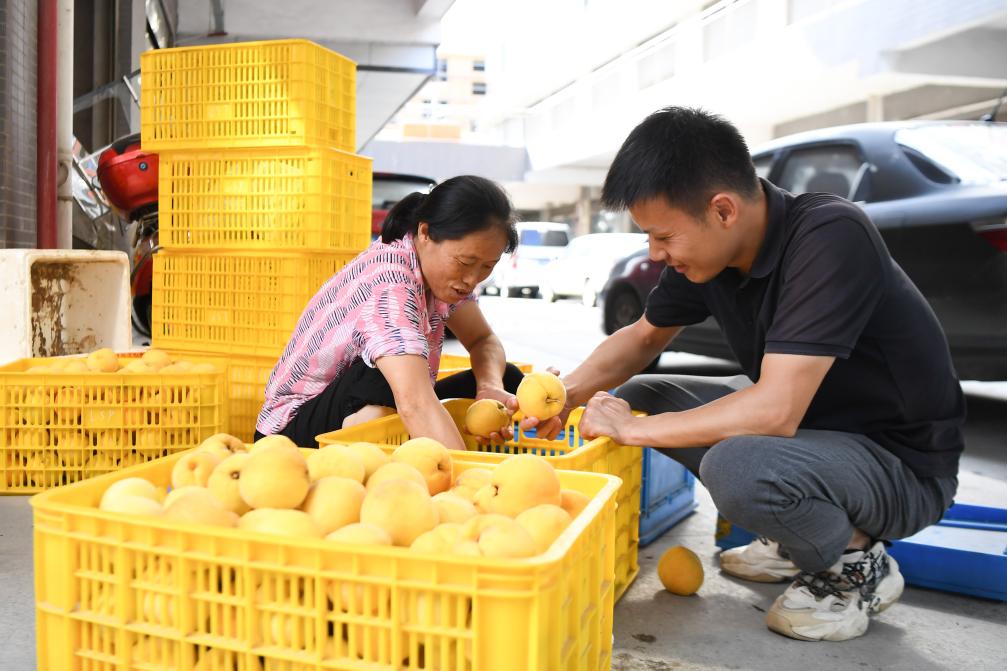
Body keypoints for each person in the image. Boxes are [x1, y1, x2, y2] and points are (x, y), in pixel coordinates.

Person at [531, 107, 964, 642]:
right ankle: (798, 537)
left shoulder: (830, 235)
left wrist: (630, 430)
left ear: (723, 210)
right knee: (644, 392)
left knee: (737, 466)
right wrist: (565, 397)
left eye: (662, 236)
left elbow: (776, 410)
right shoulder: (710, 252)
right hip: (818, 438)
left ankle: (856, 562)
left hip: (902, 466)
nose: (655, 253)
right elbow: (643, 338)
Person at [255, 175, 526, 450]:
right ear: (425, 232)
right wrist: (468, 480)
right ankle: (375, 456)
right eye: (466, 262)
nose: (471, 279)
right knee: (387, 374)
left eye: (486, 267)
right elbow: (415, 403)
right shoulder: (389, 283)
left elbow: (482, 340)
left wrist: (488, 387)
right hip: (289, 435)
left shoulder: (442, 275)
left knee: (508, 379)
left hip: (388, 401)